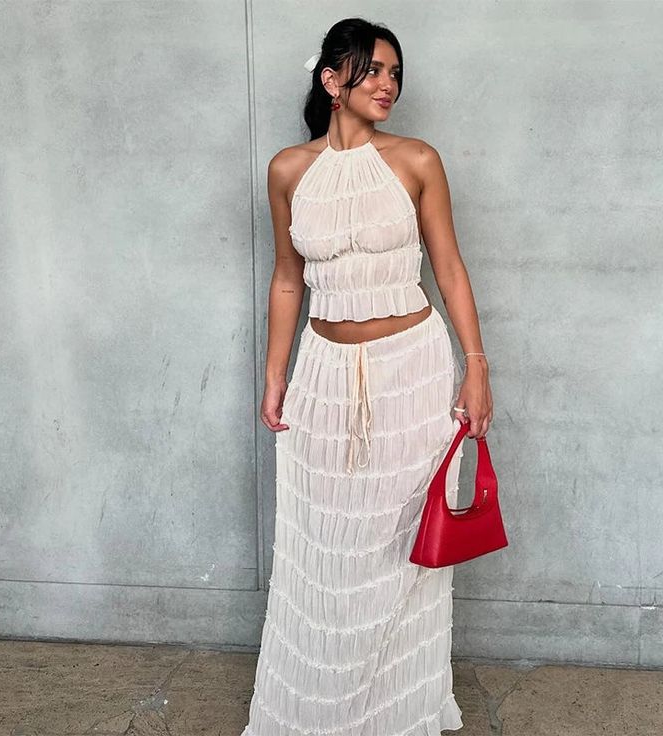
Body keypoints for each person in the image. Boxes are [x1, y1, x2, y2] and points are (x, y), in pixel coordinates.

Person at [240, 16, 493, 736]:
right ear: (331, 80)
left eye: (394, 73)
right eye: (373, 70)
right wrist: (274, 376)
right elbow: (288, 281)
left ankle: (398, 711)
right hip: (322, 370)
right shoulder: (288, 171)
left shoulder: (416, 160)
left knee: (404, 541)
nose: (387, 85)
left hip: (411, 369)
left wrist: (476, 368)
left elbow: (448, 268)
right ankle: (317, 708)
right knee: (326, 542)